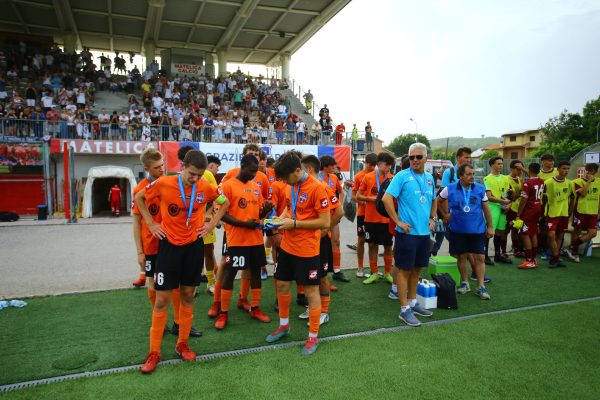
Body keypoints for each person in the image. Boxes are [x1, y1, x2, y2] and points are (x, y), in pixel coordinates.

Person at [136, 149, 229, 374]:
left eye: (199, 175)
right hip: (168, 247)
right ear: (183, 166)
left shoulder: (205, 186)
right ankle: (154, 352)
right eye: (191, 174)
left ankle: (182, 343)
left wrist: (212, 222)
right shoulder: (164, 183)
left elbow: (224, 202)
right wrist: (150, 223)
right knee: (162, 300)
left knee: (188, 295)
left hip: (193, 246)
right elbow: (139, 198)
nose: (195, 179)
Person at [265, 151, 331, 355]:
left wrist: (294, 224)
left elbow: (325, 222)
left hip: (308, 250)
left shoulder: (318, 188)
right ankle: (284, 325)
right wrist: (278, 220)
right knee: (282, 285)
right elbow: (288, 209)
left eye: (286, 177)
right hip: (287, 247)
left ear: (298, 170)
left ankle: (313, 336)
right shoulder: (289, 185)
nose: (285, 182)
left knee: (311, 291)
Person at [213, 154, 273, 330]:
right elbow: (221, 214)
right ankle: (223, 312)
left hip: (255, 240)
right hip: (236, 241)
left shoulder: (255, 187)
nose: (253, 175)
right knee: (230, 274)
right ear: (242, 166)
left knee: (256, 272)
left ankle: (255, 308)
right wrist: (243, 224)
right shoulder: (228, 186)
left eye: (256, 172)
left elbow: (258, 215)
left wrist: (265, 211)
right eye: (251, 171)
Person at [382, 143, 436, 327]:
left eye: (418, 157)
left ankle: (413, 302)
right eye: (411, 157)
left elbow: (433, 199)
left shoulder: (429, 178)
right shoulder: (402, 176)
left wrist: (432, 218)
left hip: (424, 233)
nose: (414, 160)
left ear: (426, 158)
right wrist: (397, 221)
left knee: (417, 269)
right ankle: (404, 309)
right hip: (407, 233)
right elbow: (386, 198)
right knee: (404, 270)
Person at [298, 154, 344, 325]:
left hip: (320, 240)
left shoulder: (323, 187)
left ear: (309, 170)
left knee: (322, 276)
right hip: (307, 240)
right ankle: (313, 307)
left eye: (301, 170)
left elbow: (339, 212)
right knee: (311, 276)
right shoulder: (303, 187)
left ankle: (324, 312)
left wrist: (326, 228)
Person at [437, 164, 494, 299]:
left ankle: (481, 286)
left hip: (478, 230)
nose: (472, 176)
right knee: (461, 257)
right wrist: (445, 214)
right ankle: (465, 283)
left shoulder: (480, 188)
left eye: (473, 174)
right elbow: (438, 201)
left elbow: (486, 208)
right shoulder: (449, 188)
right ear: (460, 176)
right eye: (468, 174)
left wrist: (490, 226)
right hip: (457, 230)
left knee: (480, 257)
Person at [357, 152, 396, 284]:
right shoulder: (367, 177)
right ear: (379, 165)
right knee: (372, 245)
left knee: (388, 246)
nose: (389, 168)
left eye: (390, 165)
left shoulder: (393, 178)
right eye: (387, 165)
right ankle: (374, 273)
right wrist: (371, 199)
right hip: (370, 219)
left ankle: (387, 274)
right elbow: (358, 196)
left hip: (386, 219)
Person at [319, 155, 350, 283]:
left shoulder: (334, 178)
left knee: (336, 241)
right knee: (322, 245)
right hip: (320, 216)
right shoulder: (317, 178)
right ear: (325, 166)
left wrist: (340, 205)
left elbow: (341, 192)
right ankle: (321, 273)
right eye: (332, 165)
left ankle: (337, 271)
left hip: (333, 216)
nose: (334, 167)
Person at [566, 163, 600, 263]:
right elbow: (583, 193)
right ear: (585, 170)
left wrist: (599, 212)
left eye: (592, 170)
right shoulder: (577, 181)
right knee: (577, 231)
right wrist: (589, 181)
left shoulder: (599, 182)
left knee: (592, 233)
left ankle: (571, 247)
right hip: (580, 211)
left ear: (596, 171)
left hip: (593, 212)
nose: (590, 172)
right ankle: (575, 253)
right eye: (588, 169)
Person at [542, 161, 572, 268]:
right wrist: (542, 213)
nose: (566, 171)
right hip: (551, 213)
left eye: (568, 169)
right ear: (558, 169)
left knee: (560, 235)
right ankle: (555, 256)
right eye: (564, 168)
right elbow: (543, 198)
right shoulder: (548, 182)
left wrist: (570, 211)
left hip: (563, 213)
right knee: (551, 235)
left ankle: (555, 258)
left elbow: (571, 197)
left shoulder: (569, 183)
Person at [515, 162, 545, 269]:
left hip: (529, 210)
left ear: (529, 169)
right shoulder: (541, 181)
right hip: (538, 208)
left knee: (524, 233)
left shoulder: (528, 183)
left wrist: (518, 215)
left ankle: (529, 260)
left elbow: (523, 200)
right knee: (533, 232)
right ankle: (534, 259)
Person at [483, 156, 512, 264]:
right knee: (489, 232)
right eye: (498, 163)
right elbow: (489, 196)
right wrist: (503, 202)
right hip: (492, 208)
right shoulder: (487, 179)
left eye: (501, 163)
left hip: (502, 208)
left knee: (500, 231)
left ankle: (497, 255)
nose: (500, 165)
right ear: (492, 165)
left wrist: (508, 204)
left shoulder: (505, 178)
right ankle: (485, 255)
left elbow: (508, 194)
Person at [537, 154, 559, 260]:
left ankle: (553, 250)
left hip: (556, 205)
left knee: (554, 230)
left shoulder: (557, 172)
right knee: (542, 227)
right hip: (542, 204)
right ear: (543, 161)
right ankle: (542, 248)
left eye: (553, 161)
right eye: (550, 161)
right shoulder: (538, 174)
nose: (552, 163)